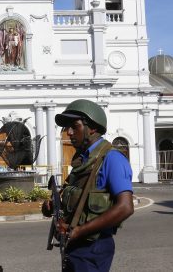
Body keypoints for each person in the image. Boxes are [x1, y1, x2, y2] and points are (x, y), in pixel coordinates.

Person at [42, 99, 134, 272]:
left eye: (74, 126)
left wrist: (79, 231)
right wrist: (52, 207)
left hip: (92, 247)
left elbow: (125, 207)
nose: (68, 132)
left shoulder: (112, 159)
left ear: (92, 128)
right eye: (67, 127)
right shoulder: (82, 160)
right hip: (74, 246)